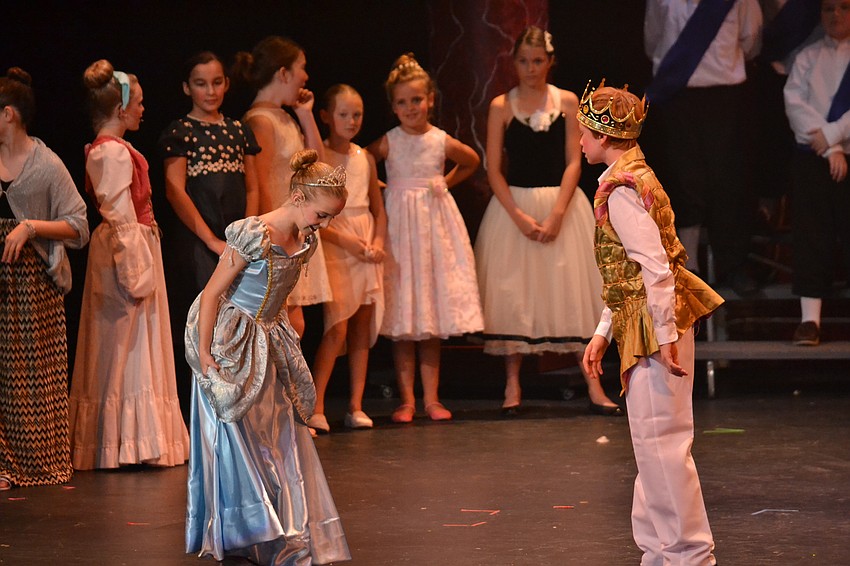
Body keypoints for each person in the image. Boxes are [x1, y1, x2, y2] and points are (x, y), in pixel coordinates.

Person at [578, 81, 724, 565]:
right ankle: (660, 552)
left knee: (663, 445)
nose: (581, 142)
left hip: (655, 323)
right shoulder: (632, 176)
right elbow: (626, 273)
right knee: (651, 446)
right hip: (643, 319)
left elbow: (655, 268)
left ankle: (690, 555)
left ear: (604, 136)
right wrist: (603, 332)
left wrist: (664, 338)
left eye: (585, 133)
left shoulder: (623, 188)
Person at [184, 149, 351, 564]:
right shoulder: (254, 233)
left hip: (269, 336)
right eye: (321, 215)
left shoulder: (307, 238)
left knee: (278, 432)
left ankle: (283, 529)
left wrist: (284, 332)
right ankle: (245, 530)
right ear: (297, 197)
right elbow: (212, 293)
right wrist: (204, 354)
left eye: (330, 217)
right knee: (237, 432)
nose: (324, 224)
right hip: (230, 338)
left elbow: (280, 292)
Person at [474, 26, 621, 417]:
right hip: (515, 207)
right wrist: (519, 216)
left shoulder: (568, 101)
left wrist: (557, 212)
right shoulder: (501, 106)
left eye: (538, 61)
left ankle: (593, 384)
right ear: (514, 63)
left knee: (571, 291)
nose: (531, 68)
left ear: (550, 62)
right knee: (515, 293)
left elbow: (574, 161)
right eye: (524, 61)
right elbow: (493, 169)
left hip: (562, 204)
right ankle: (512, 384)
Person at [69, 60, 189, 470]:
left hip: (132, 244)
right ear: (120, 110)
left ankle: (132, 440)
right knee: (126, 344)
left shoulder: (114, 150)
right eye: (137, 103)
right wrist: (135, 270)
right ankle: (124, 442)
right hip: (125, 252)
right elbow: (120, 216)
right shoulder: (111, 153)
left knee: (133, 342)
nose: (142, 109)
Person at [368, 53, 483, 423]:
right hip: (400, 231)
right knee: (405, 318)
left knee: (429, 316)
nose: (410, 108)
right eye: (402, 102)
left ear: (430, 99)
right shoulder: (390, 141)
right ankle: (406, 400)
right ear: (393, 107)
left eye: (416, 99)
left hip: (432, 227)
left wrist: (443, 183)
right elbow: (361, 160)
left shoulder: (438, 140)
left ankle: (431, 398)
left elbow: (471, 160)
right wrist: (380, 189)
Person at [0, 68, 89, 490]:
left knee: (32, 381)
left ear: (9, 114)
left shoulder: (46, 164)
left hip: (32, 287)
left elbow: (79, 225)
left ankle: (35, 462)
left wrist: (31, 227)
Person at [644, 0, 763, 295]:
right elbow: (653, 39)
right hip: (678, 95)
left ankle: (732, 264)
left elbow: (751, 38)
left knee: (727, 181)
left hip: (725, 96)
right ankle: (688, 266)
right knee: (685, 179)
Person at [234, 36, 330, 337]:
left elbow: (318, 168)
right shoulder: (260, 121)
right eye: (302, 67)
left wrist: (305, 114)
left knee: (293, 325)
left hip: (293, 231)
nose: (306, 76)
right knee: (287, 324)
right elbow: (259, 183)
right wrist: (272, 241)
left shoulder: (284, 117)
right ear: (283, 73)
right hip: (279, 233)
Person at [308, 85, 387, 433]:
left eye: (357, 115)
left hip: (365, 245)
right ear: (327, 116)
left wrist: (377, 242)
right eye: (344, 114)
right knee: (336, 326)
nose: (352, 121)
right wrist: (347, 241)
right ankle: (316, 405)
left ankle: (356, 405)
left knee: (361, 327)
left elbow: (378, 210)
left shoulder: (364, 157)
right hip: (336, 245)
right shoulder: (320, 155)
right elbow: (315, 215)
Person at [784, 0, 850, 346]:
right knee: (812, 234)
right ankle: (810, 321)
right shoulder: (807, 57)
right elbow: (794, 104)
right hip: (814, 157)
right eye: (829, 9)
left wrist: (834, 136)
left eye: (844, 8)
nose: (836, 15)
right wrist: (830, 148)